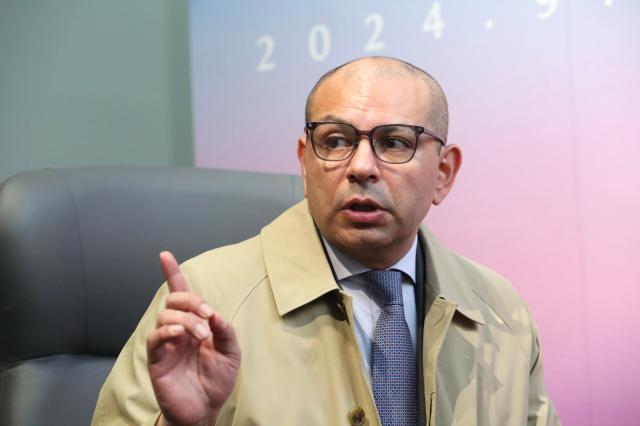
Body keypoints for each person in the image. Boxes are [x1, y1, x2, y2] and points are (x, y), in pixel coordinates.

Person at [92, 56, 560, 426]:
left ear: (443, 173)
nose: (360, 166)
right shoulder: (205, 298)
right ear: (305, 160)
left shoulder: (501, 312)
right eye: (335, 141)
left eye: (395, 142)